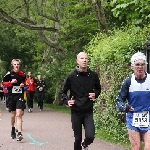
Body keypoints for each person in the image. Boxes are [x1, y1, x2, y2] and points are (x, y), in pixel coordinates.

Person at [61, 52, 101, 150]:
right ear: (77, 61)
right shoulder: (71, 76)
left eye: (86, 58)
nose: (84, 60)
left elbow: (98, 89)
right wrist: (67, 101)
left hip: (88, 111)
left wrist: (95, 94)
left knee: (90, 136)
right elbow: (63, 92)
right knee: (77, 138)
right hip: (76, 111)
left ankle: (85, 144)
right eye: (82, 58)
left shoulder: (93, 75)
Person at [116, 52, 150, 150]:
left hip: (148, 116)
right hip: (133, 117)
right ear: (132, 66)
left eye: (142, 64)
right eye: (137, 65)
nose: (140, 67)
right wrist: (124, 107)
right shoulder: (128, 81)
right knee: (137, 147)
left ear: (145, 65)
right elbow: (119, 100)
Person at [2, 59, 26, 141]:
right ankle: (13, 128)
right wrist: (11, 83)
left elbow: (25, 83)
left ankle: (19, 133)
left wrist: (23, 85)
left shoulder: (23, 74)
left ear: (20, 65)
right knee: (13, 114)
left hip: (19, 95)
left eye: (18, 64)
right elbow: (3, 83)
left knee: (18, 114)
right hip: (11, 96)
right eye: (15, 64)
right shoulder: (9, 74)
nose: (16, 65)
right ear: (12, 65)